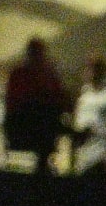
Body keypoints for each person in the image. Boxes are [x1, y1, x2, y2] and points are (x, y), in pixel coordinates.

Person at [4, 38, 69, 172]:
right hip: (24, 123)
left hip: (43, 123)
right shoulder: (20, 74)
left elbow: (58, 97)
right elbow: (18, 101)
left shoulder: (48, 74)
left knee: (49, 116)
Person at [71, 58, 106, 174]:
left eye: (91, 68)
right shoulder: (84, 93)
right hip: (84, 151)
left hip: (102, 151)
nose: (86, 72)